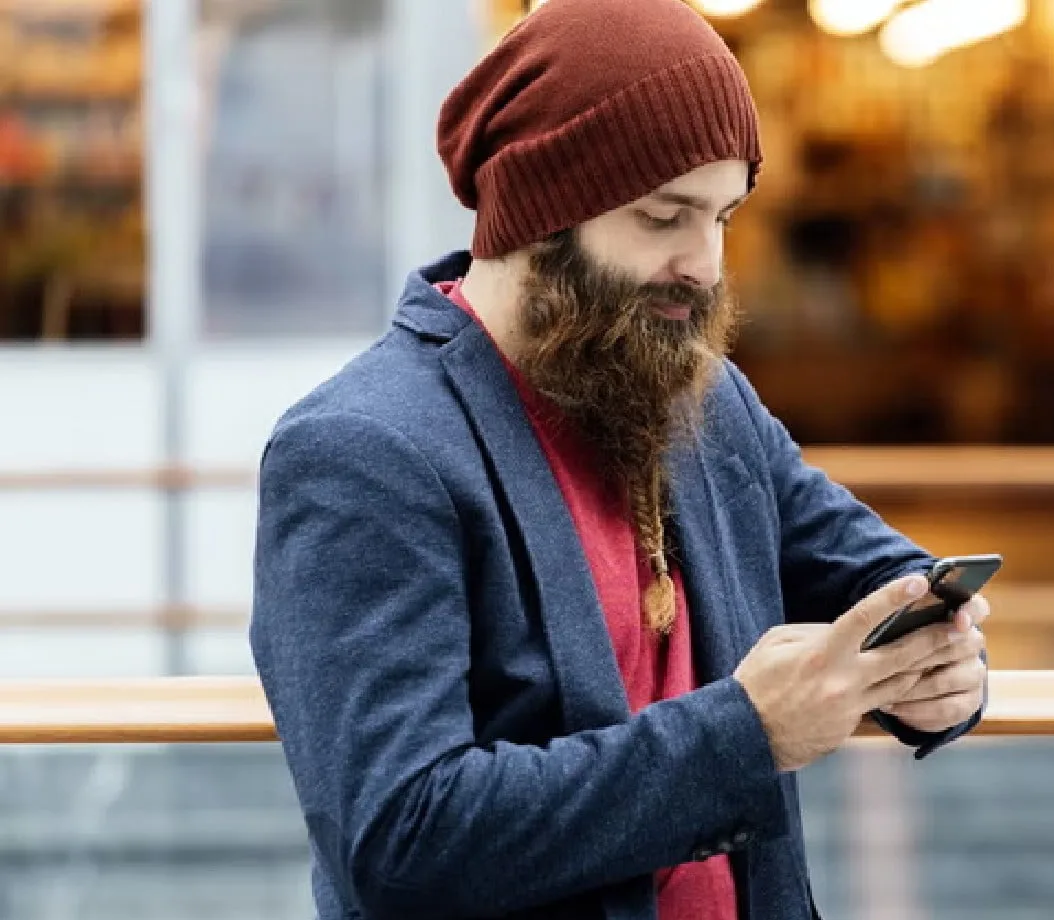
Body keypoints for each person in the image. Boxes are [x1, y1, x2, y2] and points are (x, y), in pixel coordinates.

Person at [248, 0, 989, 917]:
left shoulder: (701, 398)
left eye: (721, 215)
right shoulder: (362, 452)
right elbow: (403, 840)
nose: (705, 263)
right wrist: (746, 736)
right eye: (663, 216)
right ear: (540, 211)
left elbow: (881, 580)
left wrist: (942, 671)